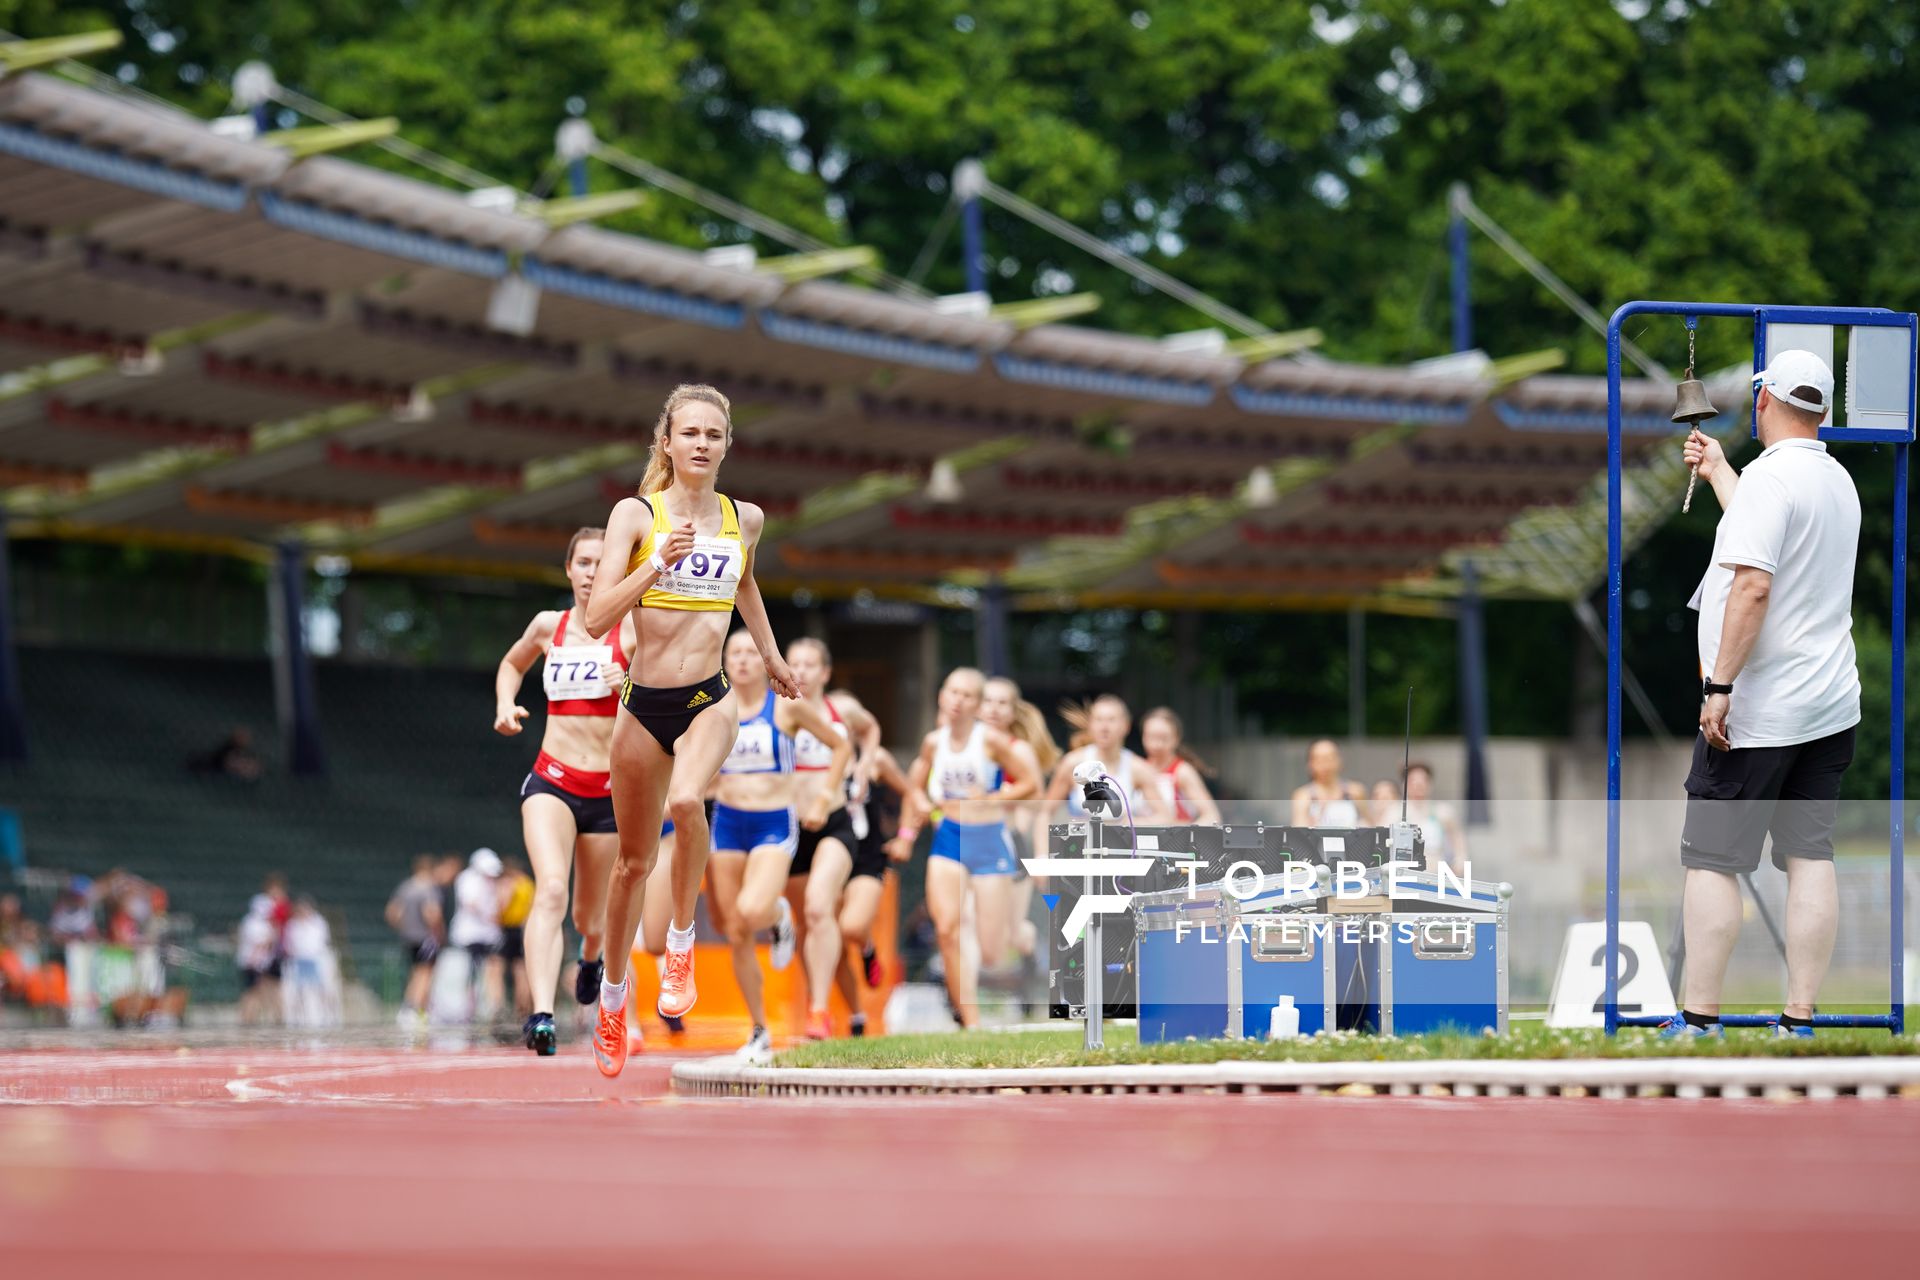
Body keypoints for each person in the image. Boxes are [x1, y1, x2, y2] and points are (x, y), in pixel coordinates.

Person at [582, 383, 801, 1079]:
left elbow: (746, 586)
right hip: (643, 703)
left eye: (714, 434)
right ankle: (614, 1001)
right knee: (631, 866)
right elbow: (596, 620)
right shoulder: (634, 514)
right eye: (690, 433)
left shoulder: (747, 518)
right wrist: (657, 563)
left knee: (687, 801)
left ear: (727, 443)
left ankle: (682, 940)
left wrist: (769, 655)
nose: (702, 444)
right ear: (668, 442)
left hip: (710, 697)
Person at [1664, 350, 1860, 1040]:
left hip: (1758, 711)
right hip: (1830, 706)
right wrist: (1720, 471)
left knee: (1712, 860)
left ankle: (1699, 1019)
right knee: (1810, 857)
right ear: (1825, 411)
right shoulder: (1837, 481)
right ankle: (1798, 1020)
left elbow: (1753, 584)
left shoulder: (1774, 483)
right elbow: (1768, 529)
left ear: (1763, 402)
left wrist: (1719, 687)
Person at [492, 526, 652, 1056]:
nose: (590, 572)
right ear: (569, 569)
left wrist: (623, 683)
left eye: (601, 563)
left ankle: (589, 957)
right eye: (583, 562)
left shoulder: (633, 631)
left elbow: (660, 707)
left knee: (590, 917)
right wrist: (505, 703)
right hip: (552, 780)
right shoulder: (548, 626)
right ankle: (541, 1015)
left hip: (608, 793)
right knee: (552, 890)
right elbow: (512, 663)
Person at [706, 630, 849, 1060]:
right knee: (735, 929)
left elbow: (840, 746)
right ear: (725, 661)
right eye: (736, 653)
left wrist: (824, 796)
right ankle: (759, 1030)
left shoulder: (787, 707)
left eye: (753, 652)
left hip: (774, 822)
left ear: (765, 660)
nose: (745, 660)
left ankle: (780, 915)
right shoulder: (713, 709)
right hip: (728, 823)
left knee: (752, 911)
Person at [891, 668, 1039, 1028]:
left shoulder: (991, 742)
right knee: (947, 929)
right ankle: (969, 1020)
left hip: (989, 841)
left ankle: (1026, 960)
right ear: (942, 696)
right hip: (949, 839)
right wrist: (908, 831)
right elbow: (913, 785)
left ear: (977, 704)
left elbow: (1032, 783)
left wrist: (992, 796)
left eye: (967, 695)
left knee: (991, 950)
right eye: (952, 692)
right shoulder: (933, 742)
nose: (957, 700)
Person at [784, 637, 871, 1041]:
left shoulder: (843, 708)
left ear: (825, 673)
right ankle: (828, 1003)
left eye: (809, 664)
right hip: (789, 828)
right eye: (793, 663)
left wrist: (865, 764)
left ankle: (819, 1011)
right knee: (807, 924)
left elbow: (871, 731)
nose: (800, 670)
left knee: (821, 909)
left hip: (834, 821)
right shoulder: (776, 708)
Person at [980, 676, 1059, 974]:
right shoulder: (965, 745)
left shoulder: (1019, 751)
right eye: (988, 701)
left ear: (1013, 712)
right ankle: (961, 1006)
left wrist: (1001, 799)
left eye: (1002, 703)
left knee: (1011, 934)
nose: (994, 709)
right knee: (963, 920)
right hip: (970, 841)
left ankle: (1029, 953)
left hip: (1008, 842)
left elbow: (1037, 799)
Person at [1037, 696, 1172, 846]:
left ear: (1126, 726)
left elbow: (1165, 816)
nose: (1104, 727)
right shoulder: (1072, 763)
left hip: (1122, 852)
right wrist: (1042, 858)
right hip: (1079, 851)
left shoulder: (1137, 768)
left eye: (1111, 720)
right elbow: (1045, 813)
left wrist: (1133, 822)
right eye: (1098, 720)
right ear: (1091, 725)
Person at [447, 847, 506, 1021]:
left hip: (489, 934)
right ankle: (470, 1007)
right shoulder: (467, 879)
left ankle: (495, 1006)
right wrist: (489, 916)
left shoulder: (493, 882)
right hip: (471, 935)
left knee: (493, 968)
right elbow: (470, 904)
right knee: (472, 972)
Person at [385, 855, 443, 1027]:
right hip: (426, 937)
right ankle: (414, 1009)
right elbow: (432, 913)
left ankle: (413, 1009)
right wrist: (438, 931)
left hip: (409, 937)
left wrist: (404, 927)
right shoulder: (428, 888)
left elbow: (392, 912)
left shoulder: (406, 887)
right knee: (425, 974)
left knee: (415, 972)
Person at [1140, 707, 1223, 825]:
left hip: (1175, 840)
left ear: (1176, 738)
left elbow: (1212, 816)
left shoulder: (1182, 772)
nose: (1156, 745)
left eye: (1163, 738)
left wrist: (1186, 835)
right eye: (1151, 737)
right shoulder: (1138, 768)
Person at [1402, 762, 1467, 876]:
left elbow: (1458, 842)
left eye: (1423, 780)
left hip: (1436, 874)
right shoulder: (1394, 812)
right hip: (1403, 875)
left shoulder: (1444, 812)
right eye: (1413, 781)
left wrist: (1459, 863)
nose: (1418, 785)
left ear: (1429, 784)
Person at [1291, 739, 1368, 827]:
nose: (1325, 764)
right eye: (1319, 759)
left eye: (1329, 758)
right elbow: (1298, 831)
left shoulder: (1356, 791)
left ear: (1339, 760)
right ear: (1310, 764)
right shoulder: (1303, 796)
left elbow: (1370, 827)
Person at [237, 893, 282, 1025]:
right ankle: (247, 1020)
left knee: (266, 992)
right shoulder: (254, 923)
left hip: (261, 963)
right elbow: (260, 944)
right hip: (254, 964)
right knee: (252, 993)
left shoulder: (257, 923)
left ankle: (273, 1019)